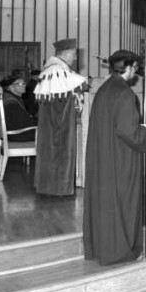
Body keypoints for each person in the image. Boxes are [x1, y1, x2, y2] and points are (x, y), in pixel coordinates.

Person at [83, 50, 146, 266]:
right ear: (128, 67)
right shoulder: (124, 93)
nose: (136, 71)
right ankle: (121, 250)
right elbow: (128, 131)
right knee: (123, 202)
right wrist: (145, 131)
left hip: (104, 156)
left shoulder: (104, 89)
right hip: (121, 158)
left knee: (107, 204)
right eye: (135, 67)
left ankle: (102, 247)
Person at [33, 38, 87, 196]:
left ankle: (50, 187)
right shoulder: (57, 69)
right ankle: (58, 188)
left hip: (52, 121)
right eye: (74, 54)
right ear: (67, 53)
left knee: (51, 149)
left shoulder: (52, 69)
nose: (75, 58)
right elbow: (80, 84)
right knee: (59, 148)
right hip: (58, 122)